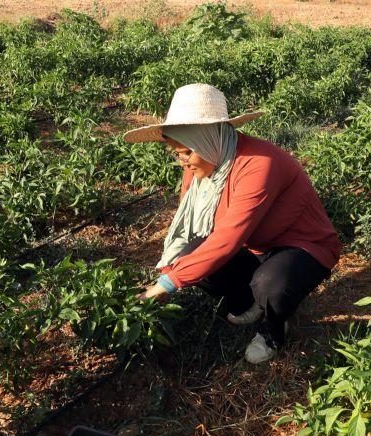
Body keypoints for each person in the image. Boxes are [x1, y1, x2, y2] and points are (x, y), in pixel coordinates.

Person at [124, 83, 340, 364]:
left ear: (207, 140)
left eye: (187, 152)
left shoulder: (260, 163)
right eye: (176, 153)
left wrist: (166, 284)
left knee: (270, 284)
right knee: (191, 257)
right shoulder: (204, 165)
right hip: (255, 246)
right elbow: (188, 225)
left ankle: (273, 330)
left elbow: (228, 237)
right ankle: (250, 304)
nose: (182, 163)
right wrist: (170, 269)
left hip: (302, 246)